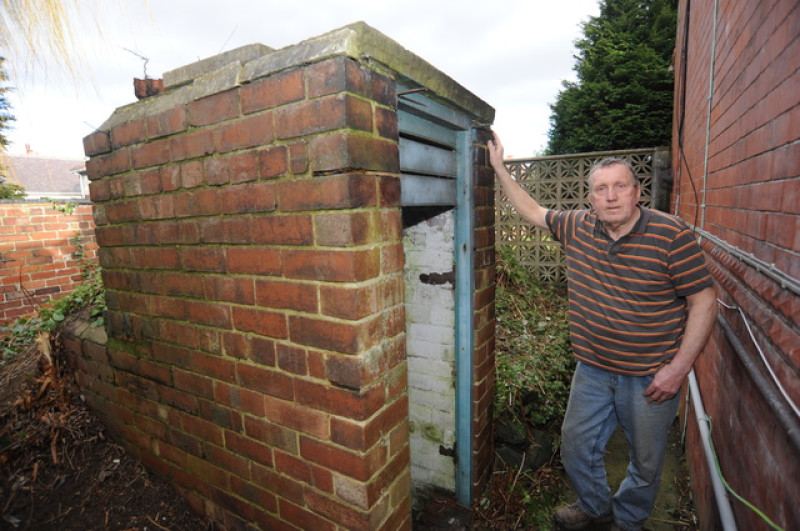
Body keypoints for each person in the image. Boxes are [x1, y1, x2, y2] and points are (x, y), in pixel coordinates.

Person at [488, 132, 717, 531]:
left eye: (619, 187)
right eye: (600, 189)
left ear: (636, 192)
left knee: (645, 462)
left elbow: (704, 301)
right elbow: (533, 211)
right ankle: (594, 507)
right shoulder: (578, 227)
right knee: (576, 446)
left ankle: (628, 521)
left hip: (651, 377)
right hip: (592, 371)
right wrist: (498, 169)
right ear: (591, 198)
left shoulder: (672, 236)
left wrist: (678, 369)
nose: (610, 196)